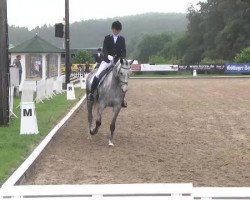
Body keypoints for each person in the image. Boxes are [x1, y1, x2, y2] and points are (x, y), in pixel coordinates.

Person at [88, 21, 127, 107]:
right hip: (107, 61)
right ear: (112, 29)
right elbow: (104, 50)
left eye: (118, 30)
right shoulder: (107, 38)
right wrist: (107, 58)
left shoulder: (122, 39)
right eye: (115, 29)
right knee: (98, 74)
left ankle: (122, 99)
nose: (116, 31)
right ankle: (91, 94)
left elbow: (123, 51)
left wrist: (121, 60)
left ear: (120, 30)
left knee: (123, 77)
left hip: (117, 62)